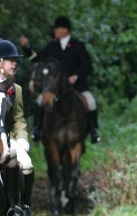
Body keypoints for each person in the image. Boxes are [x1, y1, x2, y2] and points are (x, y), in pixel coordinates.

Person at [20, 15, 101, 143]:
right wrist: (26, 48)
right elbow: (38, 59)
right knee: (39, 101)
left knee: (91, 102)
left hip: (77, 87)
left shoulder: (78, 46)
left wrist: (76, 76)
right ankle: (37, 130)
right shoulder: (51, 46)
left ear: (66, 30)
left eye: (57, 28)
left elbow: (87, 66)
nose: (55, 31)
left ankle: (93, 131)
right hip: (54, 89)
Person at [0, 39, 34, 216]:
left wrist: (21, 139)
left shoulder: (16, 89)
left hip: (8, 138)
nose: (15, 64)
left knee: (27, 165)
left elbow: (18, 118)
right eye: (11, 60)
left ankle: (21, 207)